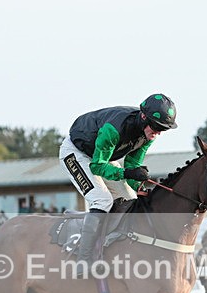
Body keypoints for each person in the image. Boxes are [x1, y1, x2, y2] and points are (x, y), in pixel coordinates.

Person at [59, 93, 177, 277]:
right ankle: (84, 259)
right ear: (143, 117)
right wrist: (127, 173)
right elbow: (97, 166)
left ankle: (109, 246)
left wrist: (138, 185)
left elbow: (132, 166)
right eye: (156, 127)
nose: (157, 133)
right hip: (77, 154)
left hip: (103, 157)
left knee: (131, 197)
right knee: (102, 200)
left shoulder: (148, 135)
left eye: (163, 129)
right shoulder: (114, 129)